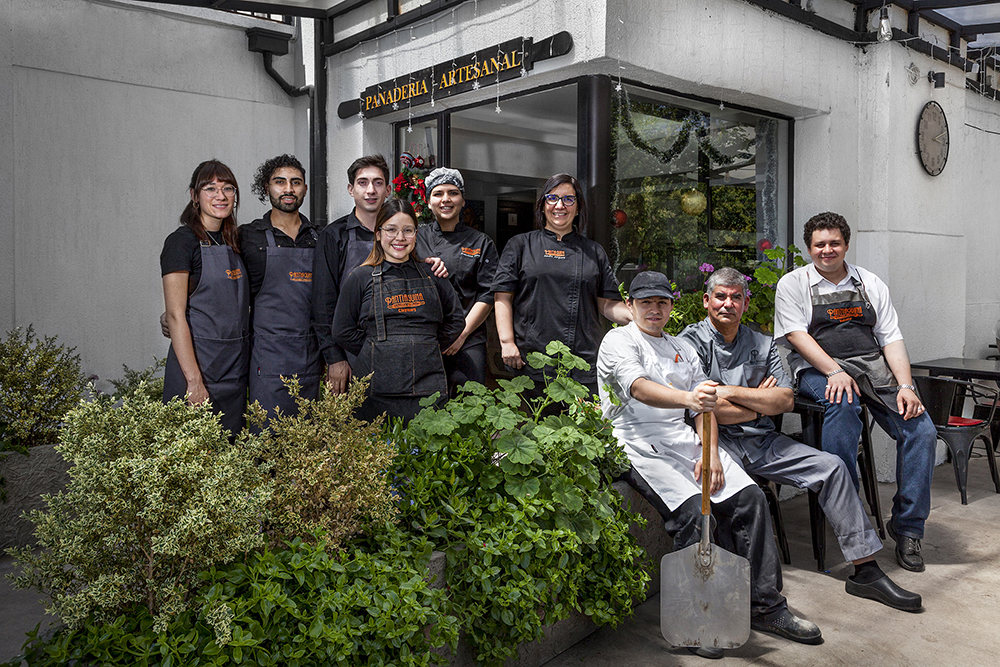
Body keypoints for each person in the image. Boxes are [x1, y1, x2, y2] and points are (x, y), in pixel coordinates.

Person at [598, 271, 821, 659]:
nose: (654, 310)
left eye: (662, 302)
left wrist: (712, 453)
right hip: (635, 445)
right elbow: (639, 388)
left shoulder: (677, 346)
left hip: (686, 441)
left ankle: (766, 606)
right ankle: (696, 620)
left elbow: (709, 407)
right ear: (630, 306)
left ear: (672, 306)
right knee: (692, 515)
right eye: (645, 303)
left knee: (750, 498)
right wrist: (690, 399)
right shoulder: (618, 341)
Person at [680, 267, 921, 611]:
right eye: (720, 296)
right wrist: (756, 404)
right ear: (706, 301)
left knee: (833, 467)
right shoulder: (691, 343)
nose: (728, 304)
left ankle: (865, 570)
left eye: (736, 297)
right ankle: (732, 594)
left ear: (745, 304)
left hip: (764, 444)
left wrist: (734, 396)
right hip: (718, 445)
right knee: (740, 499)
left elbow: (785, 400)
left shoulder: (763, 344)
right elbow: (701, 406)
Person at [774, 212, 937, 572]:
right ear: (809, 248)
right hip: (816, 367)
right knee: (842, 403)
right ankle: (850, 513)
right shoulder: (793, 284)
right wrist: (834, 371)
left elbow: (890, 337)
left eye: (834, 243)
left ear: (846, 245)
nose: (827, 250)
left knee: (921, 429)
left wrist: (906, 386)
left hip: (870, 366)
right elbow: (796, 336)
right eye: (819, 244)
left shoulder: (870, 282)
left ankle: (908, 526)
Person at [312, 155, 448, 395]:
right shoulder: (334, 236)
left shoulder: (406, 236)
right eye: (363, 183)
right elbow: (323, 304)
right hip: (352, 354)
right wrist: (334, 358)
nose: (370, 190)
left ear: (388, 189)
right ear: (351, 189)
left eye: (377, 182)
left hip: (403, 356)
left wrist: (435, 266)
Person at [493, 173, 630, 399]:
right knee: (538, 429)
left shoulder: (594, 251)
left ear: (578, 208)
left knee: (582, 431)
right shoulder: (521, 245)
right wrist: (507, 342)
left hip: (583, 359)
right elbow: (502, 297)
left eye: (568, 199)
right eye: (552, 198)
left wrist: (638, 316)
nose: (560, 205)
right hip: (534, 358)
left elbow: (607, 304)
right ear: (543, 205)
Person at [330, 198, 465, 423]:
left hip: (427, 390)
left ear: (416, 234)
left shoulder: (433, 274)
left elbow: (456, 321)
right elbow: (342, 330)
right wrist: (376, 348)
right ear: (378, 233)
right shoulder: (359, 278)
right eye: (391, 229)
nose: (400, 238)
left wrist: (427, 345)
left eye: (407, 230)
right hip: (376, 391)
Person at [161, 159, 249, 435]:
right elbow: (175, 315)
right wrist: (194, 381)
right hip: (197, 367)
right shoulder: (181, 242)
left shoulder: (235, 240)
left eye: (228, 188)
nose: (220, 196)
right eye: (210, 188)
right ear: (194, 195)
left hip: (234, 369)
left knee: (230, 454)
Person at [241, 154, 321, 423]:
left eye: (296, 182)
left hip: (313, 359)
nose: (288, 189)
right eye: (280, 182)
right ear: (267, 188)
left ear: (305, 189)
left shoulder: (321, 238)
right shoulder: (247, 237)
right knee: (266, 442)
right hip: (267, 361)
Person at [415, 167, 499, 394]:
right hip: (425, 338)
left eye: (453, 193)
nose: (446, 199)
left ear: (463, 200)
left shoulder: (481, 242)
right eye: (438, 193)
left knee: (469, 408)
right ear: (428, 200)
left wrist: (460, 334)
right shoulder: (415, 237)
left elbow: (488, 293)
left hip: (468, 339)